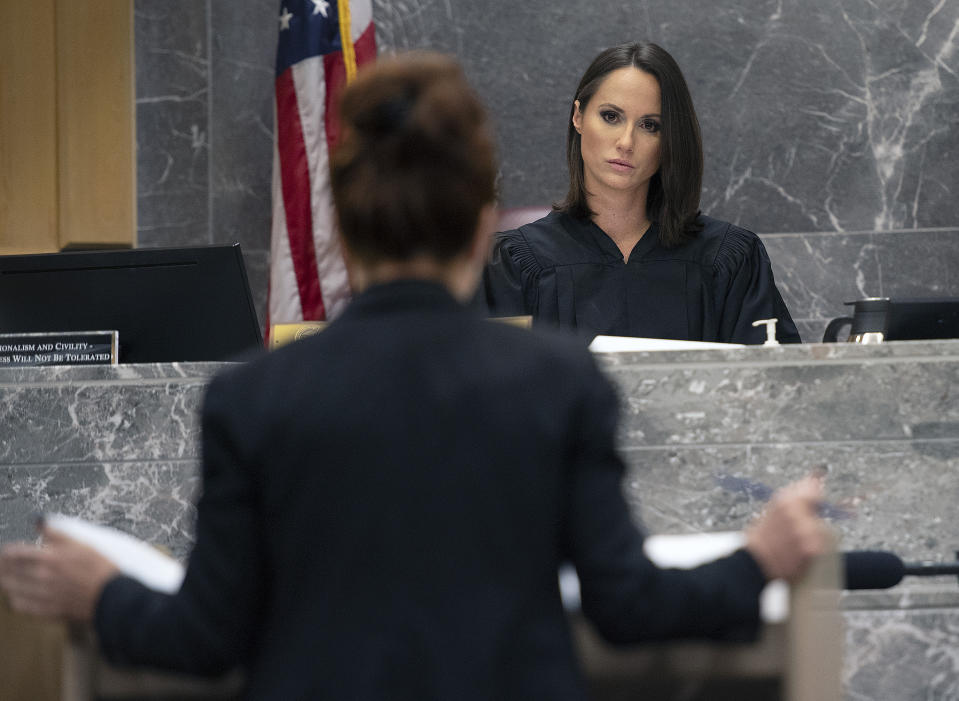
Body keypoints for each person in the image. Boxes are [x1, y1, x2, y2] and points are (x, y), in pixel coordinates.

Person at [0, 52, 826, 700]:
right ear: (480, 231)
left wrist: (102, 591)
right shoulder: (559, 385)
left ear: (345, 229)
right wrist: (759, 555)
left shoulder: (252, 396)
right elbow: (629, 605)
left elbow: (208, 634)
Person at [482, 42, 801, 344]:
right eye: (610, 116)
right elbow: (490, 389)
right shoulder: (515, 266)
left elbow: (775, 387)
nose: (626, 142)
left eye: (650, 125)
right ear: (578, 117)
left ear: (670, 140)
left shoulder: (730, 261)